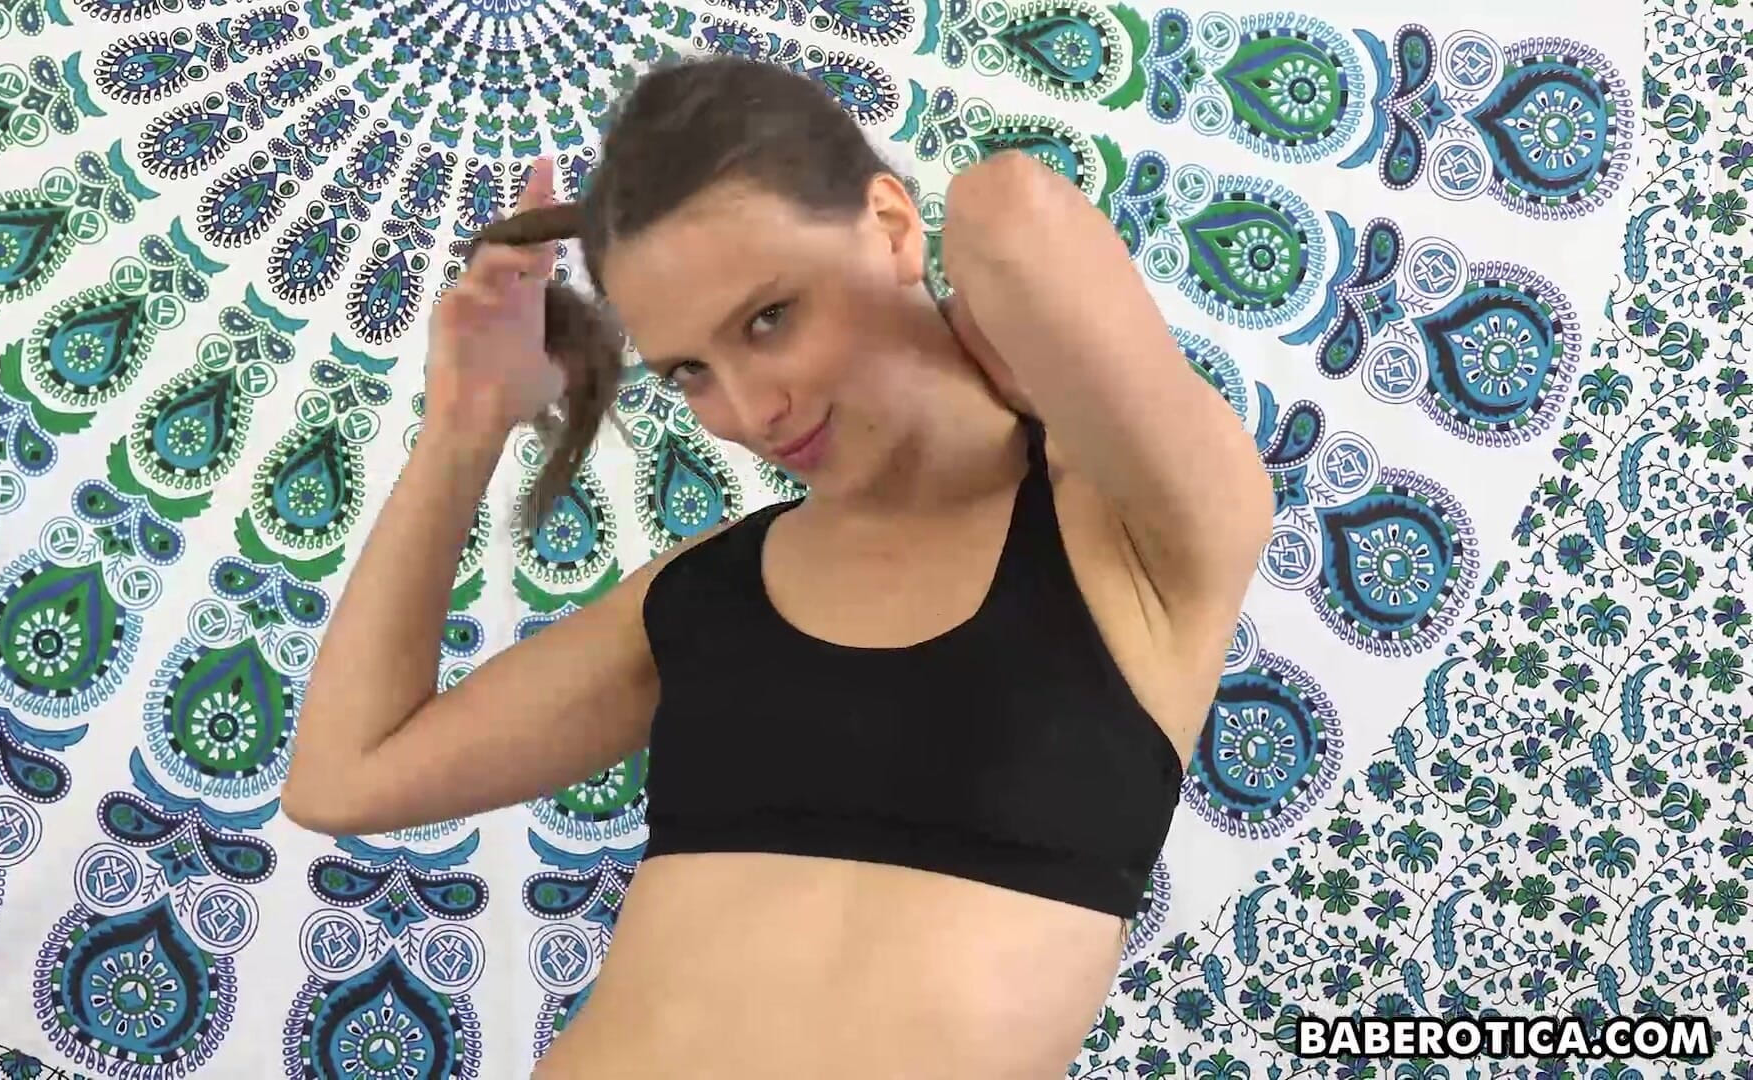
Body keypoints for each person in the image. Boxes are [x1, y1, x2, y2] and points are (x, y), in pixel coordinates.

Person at [282, 53, 1273, 1080]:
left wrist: (989, 343)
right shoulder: (708, 590)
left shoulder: (1135, 532)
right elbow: (343, 778)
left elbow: (1012, 213)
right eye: (691, 371)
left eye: (769, 317)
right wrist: (466, 422)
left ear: (891, 225)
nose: (753, 412)